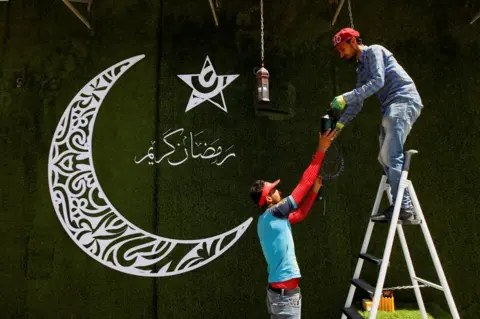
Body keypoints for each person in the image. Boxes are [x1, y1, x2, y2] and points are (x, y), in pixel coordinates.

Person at [329, 27, 423, 221]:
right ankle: (402, 205)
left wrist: (345, 97)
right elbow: (357, 101)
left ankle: (403, 206)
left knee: (391, 154)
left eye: (342, 48)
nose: (341, 54)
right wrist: (340, 125)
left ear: (353, 41)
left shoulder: (374, 51)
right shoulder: (362, 67)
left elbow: (378, 81)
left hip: (403, 101)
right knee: (384, 157)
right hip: (392, 107)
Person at [250, 129, 337, 318]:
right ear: (269, 200)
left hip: (279, 295)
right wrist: (321, 149)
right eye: (273, 190)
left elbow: (299, 214)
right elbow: (303, 184)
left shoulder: (266, 220)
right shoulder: (275, 212)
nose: (278, 191)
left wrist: (314, 192)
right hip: (284, 298)